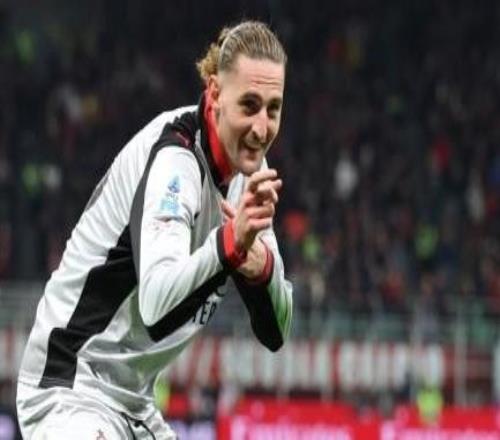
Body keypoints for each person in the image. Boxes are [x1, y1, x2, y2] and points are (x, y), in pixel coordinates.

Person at [16, 20, 293, 439]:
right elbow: (156, 305)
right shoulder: (174, 161)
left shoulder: (249, 172)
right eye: (249, 105)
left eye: (273, 109)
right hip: (71, 386)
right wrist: (228, 246)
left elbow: (277, 331)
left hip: (134, 406)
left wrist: (262, 268)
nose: (261, 128)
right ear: (215, 93)